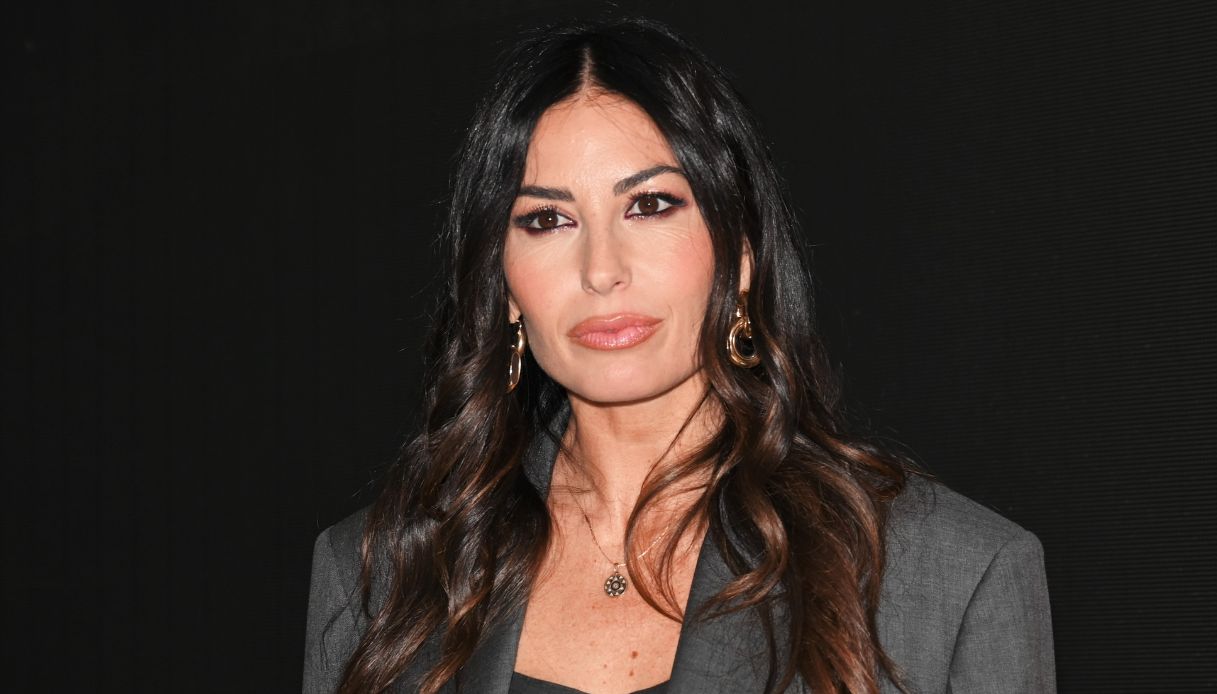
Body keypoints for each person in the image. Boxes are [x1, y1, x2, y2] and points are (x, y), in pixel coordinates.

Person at [303, 17, 1055, 694]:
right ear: (501, 283)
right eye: (548, 219)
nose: (602, 270)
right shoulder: (380, 577)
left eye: (650, 205)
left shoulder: (946, 576)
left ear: (740, 251)